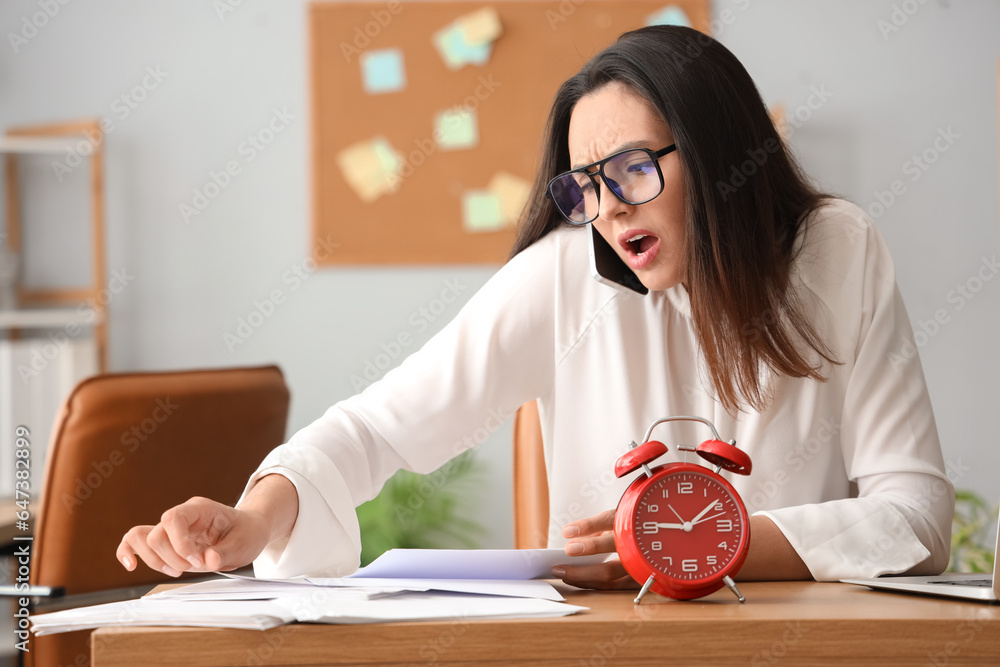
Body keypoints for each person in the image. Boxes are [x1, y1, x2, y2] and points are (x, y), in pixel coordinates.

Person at [118, 25, 953, 588]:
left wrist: (678, 550)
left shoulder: (837, 251)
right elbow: (373, 428)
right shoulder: (568, 275)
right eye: (586, 186)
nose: (610, 209)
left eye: (631, 169)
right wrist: (256, 518)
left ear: (715, 152)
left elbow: (915, 519)